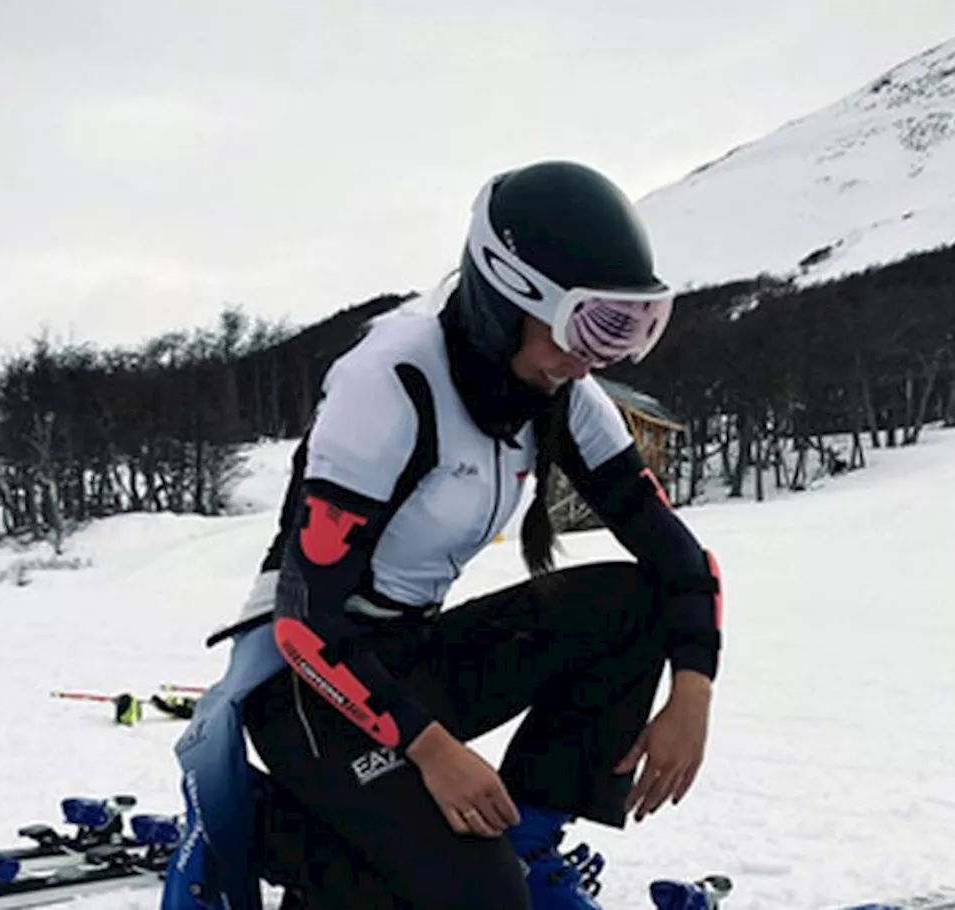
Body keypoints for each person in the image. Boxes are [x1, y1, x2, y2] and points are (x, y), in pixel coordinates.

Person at [162, 160, 723, 910]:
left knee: (634, 602)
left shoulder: (561, 391)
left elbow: (679, 562)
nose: (596, 356)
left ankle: (525, 847)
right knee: (467, 899)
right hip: (302, 682)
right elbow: (307, 622)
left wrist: (693, 691)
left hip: (406, 658)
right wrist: (431, 751)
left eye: (628, 330)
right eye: (588, 324)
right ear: (507, 294)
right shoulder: (392, 381)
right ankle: (263, 825)